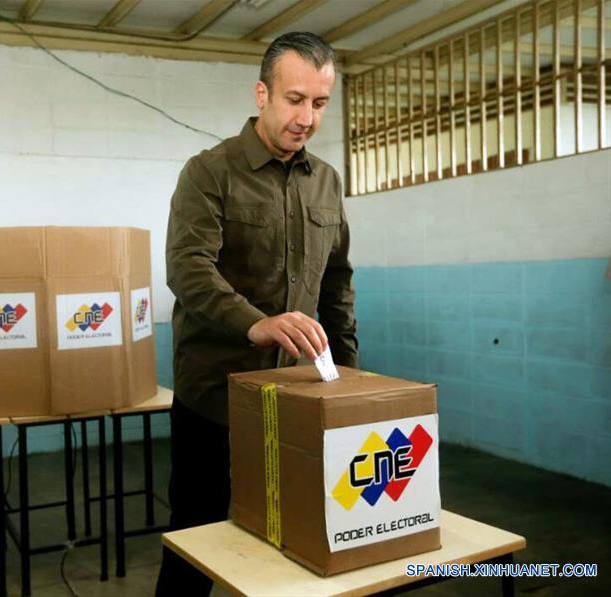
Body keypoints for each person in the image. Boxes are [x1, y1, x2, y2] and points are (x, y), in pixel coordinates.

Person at [155, 31, 358, 595]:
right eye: (295, 99)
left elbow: (337, 281)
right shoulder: (210, 172)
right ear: (261, 94)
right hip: (213, 396)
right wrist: (256, 322)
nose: (307, 118)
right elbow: (187, 267)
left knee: (293, 539)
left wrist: (348, 376)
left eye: (319, 103)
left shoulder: (326, 182)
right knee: (196, 541)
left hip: (294, 396)